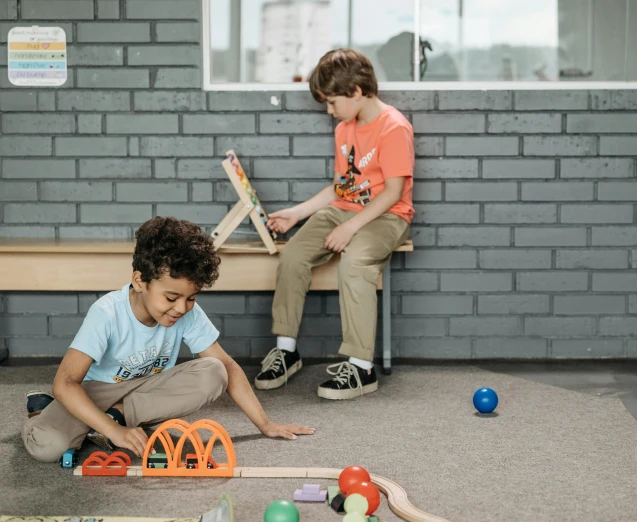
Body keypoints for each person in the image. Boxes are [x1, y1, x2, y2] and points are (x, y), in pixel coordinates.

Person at [23, 216, 314, 463]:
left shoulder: (186, 310)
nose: (182, 308)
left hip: (142, 392)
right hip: (97, 391)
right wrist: (115, 434)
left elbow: (227, 366)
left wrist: (265, 424)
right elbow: (65, 382)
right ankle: (45, 411)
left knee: (214, 371)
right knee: (47, 447)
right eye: (171, 297)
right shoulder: (107, 312)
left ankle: (115, 417)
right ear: (140, 281)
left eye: (191, 298)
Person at [254, 48, 414, 400]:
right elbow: (341, 188)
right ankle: (286, 350)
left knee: (355, 264)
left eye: (332, 102)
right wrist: (297, 213)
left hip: (386, 216)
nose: (329, 111)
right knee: (293, 256)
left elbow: (392, 193)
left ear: (356, 90)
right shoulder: (344, 129)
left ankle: (361, 367)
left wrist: (352, 227)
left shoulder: (393, 126)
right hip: (345, 210)